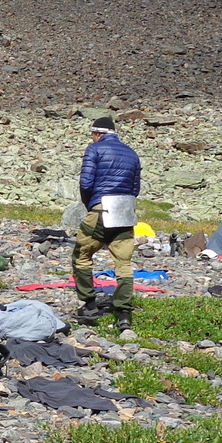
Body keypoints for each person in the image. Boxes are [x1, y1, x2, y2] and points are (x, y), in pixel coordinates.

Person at [72, 115, 142, 331]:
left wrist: (90, 204)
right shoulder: (132, 154)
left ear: (97, 133)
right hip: (125, 210)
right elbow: (135, 188)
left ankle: (90, 305)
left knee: (82, 254)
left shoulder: (95, 150)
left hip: (100, 208)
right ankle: (123, 314)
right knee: (123, 261)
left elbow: (86, 182)